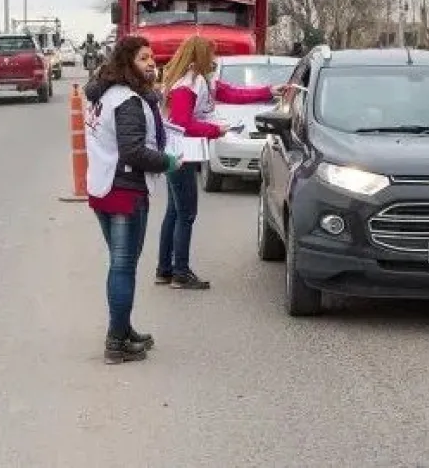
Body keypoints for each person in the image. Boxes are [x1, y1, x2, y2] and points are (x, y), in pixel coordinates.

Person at [155, 35, 287, 290]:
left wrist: (269, 91)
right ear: (199, 57)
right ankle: (180, 273)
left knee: (174, 211)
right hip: (182, 153)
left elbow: (232, 93)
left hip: (180, 153)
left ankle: (165, 268)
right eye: (210, 55)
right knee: (186, 214)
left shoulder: (198, 80)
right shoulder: (187, 85)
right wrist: (217, 129)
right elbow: (183, 124)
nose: (214, 60)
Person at [84, 35, 183, 364]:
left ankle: (123, 328)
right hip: (124, 191)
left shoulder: (106, 94)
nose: (152, 63)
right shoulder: (127, 100)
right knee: (123, 267)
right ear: (128, 64)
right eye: (143, 58)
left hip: (103, 187)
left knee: (120, 265)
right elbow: (133, 151)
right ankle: (115, 341)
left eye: (152, 57)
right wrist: (169, 162)